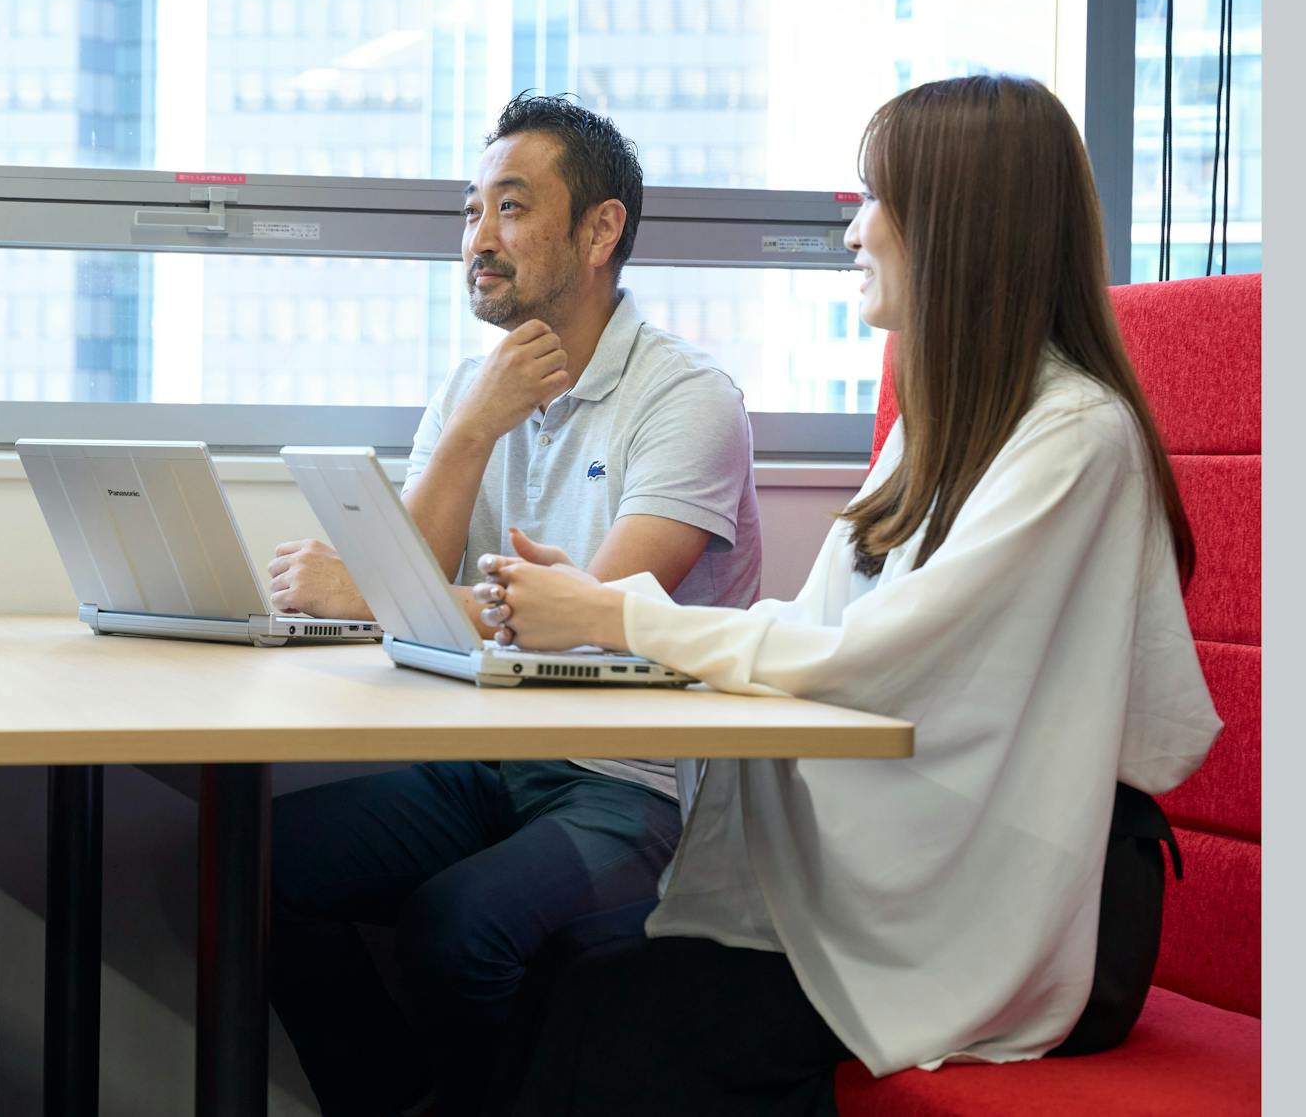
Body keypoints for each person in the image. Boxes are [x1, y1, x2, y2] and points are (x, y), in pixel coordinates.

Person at [477, 74, 1221, 1116]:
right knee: (582, 979)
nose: (854, 231)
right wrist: (618, 618)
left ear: (961, 229)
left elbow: (878, 658)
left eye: (878, 200)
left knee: (627, 1023)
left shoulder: (1077, 438)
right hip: (932, 865)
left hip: (1019, 906)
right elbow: (819, 626)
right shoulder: (944, 421)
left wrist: (619, 616)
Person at [264, 93, 762, 1116]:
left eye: (512, 207)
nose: (478, 239)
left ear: (600, 230)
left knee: (456, 930)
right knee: (251, 867)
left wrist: (374, 593)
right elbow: (407, 585)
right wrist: (474, 427)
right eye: (471, 211)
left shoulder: (689, 398)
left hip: (637, 784)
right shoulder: (474, 386)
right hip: (495, 760)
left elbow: (585, 624)